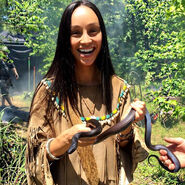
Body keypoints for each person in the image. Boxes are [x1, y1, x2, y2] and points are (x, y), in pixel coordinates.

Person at [26, 1, 148, 185]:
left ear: (102, 35)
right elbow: (34, 158)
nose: (85, 40)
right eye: (75, 33)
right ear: (65, 39)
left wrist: (128, 126)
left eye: (93, 31)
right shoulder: (48, 91)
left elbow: (125, 150)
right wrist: (67, 138)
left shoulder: (119, 89)